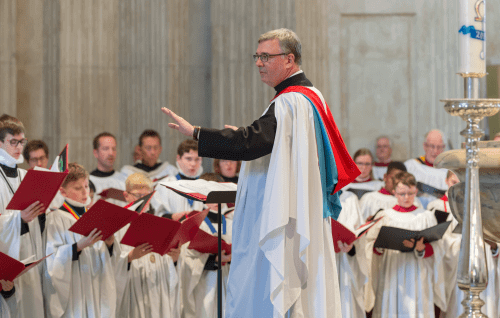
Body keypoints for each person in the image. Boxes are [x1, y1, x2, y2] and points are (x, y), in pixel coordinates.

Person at [162, 28, 359, 318]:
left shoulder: (290, 102)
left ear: (289, 59)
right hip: (302, 209)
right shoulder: (311, 97)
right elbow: (268, 144)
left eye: (266, 56)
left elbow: (249, 143)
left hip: (286, 217)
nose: (258, 63)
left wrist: (195, 133)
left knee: (271, 288)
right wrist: (242, 137)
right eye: (257, 56)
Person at [362, 172, 446, 317]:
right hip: (392, 270)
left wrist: (422, 249)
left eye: (410, 193)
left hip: (418, 273)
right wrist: (380, 246)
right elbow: (370, 245)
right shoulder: (385, 216)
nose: (406, 198)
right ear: (394, 192)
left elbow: (438, 248)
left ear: (416, 192)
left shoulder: (425, 216)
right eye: (402, 193)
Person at [43, 163, 116, 317]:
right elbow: (52, 262)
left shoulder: (95, 216)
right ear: (62, 191)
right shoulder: (56, 219)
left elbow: (108, 262)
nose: (85, 192)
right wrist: (78, 246)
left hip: (95, 289)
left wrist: (109, 244)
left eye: (86, 186)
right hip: (73, 295)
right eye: (78, 188)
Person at [427, 171, 499, 318]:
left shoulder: (483, 205)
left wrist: (493, 247)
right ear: (446, 181)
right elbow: (438, 241)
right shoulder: (437, 206)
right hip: (456, 264)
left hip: (483, 265)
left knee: (487, 303)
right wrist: (466, 242)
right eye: (454, 182)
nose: (459, 187)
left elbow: (495, 240)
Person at [114, 173, 180, 318]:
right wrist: (131, 256)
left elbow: (166, 261)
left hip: (157, 285)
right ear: (126, 195)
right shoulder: (118, 224)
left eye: (148, 195)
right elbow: (110, 264)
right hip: (132, 287)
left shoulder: (158, 223)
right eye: (139, 196)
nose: (145, 200)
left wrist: (174, 260)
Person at [0, 120, 45, 318]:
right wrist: (19, 218)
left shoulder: (27, 176)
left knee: (30, 307)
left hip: (29, 250)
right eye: (13, 142)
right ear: (0, 143)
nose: (19, 148)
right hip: (7, 254)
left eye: (21, 142)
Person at [177, 172, 233, 317]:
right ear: (201, 196)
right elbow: (186, 258)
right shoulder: (195, 223)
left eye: (219, 194)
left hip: (228, 281)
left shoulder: (233, 222)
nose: (216, 200)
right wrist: (213, 260)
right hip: (204, 283)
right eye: (210, 195)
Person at [335, 191, 368, 318]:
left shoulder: (349, 199)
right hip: (320, 261)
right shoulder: (313, 193)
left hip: (345, 263)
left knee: (345, 302)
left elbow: (359, 236)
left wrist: (352, 247)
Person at [151, 140, 204, 220]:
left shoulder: (205, 186)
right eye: (188, 159)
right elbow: (155, 215)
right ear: (178, 158)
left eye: (197, 159)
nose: (193, 164)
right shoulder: (165, 185)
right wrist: (172, 217)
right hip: (172, 229)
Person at [405, 129, 448, 208]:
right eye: (432, 146)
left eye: (439, 147)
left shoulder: (449, 171)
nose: (435, 151)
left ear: (444, 147)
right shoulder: (410, 166)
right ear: (424, 146)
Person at [89, 132, 127, 206]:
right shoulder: (88, 182)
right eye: (106, 149)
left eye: (114, 149)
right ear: (95, 152)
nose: (111, 153)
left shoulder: (124, 180)